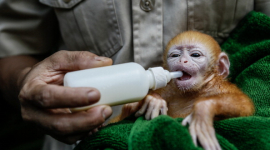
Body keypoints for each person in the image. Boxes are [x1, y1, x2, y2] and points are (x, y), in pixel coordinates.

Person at [0, 0, 269, 149]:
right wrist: (25, 81)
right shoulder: (157, 87)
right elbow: (12, 46)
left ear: (220, 67)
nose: (182, 61)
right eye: (175, 56)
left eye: (195, 55)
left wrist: (208, 107)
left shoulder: (218, 84)